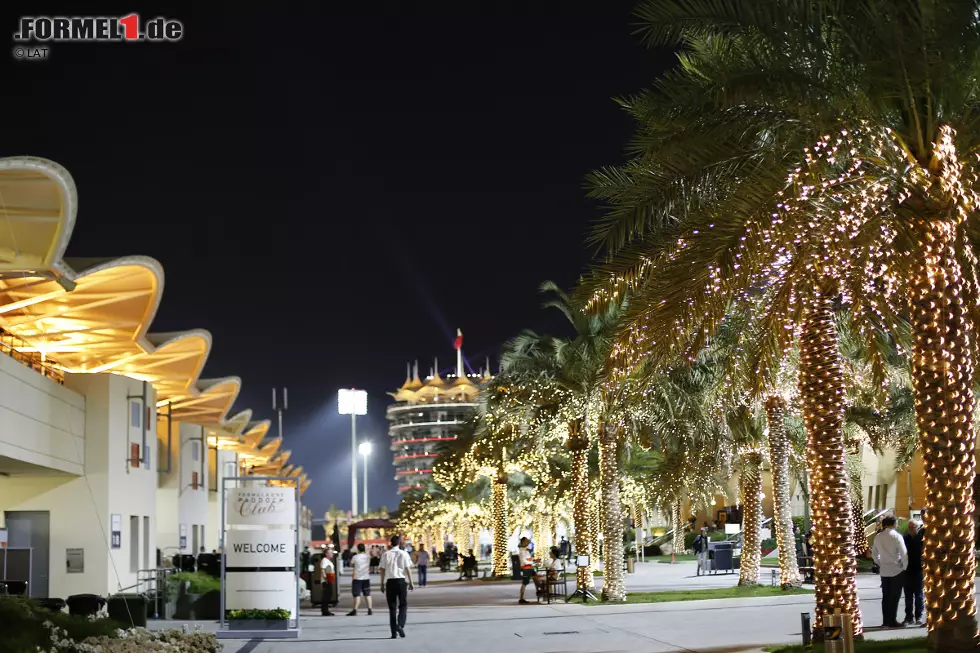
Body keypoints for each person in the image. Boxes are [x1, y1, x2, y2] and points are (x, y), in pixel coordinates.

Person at [872, 515, 908, 628]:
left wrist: (879, 563)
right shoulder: (897, 536)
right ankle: (892, 620)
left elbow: (874, 553)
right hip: (896, 569)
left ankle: (886, 620)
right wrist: (904, 567)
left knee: (886, 597)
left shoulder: (878, 536)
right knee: (894, 596)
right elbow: (904, 553)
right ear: (893, 523)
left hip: (884, 570)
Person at [380, 535, 414, 639]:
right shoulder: (404, 554)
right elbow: (408, 569)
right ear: (399, 543)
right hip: (401, 581)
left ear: (390, 543)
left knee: (392, 607)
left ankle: (393, 632)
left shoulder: (385, 554)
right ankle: (400, 625)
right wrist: (411, 582)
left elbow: (382, 570)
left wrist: (382, 583)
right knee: (403, 604)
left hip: (390, 582)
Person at [903, 519, 924, 626]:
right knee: (908, 596)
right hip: (907, 571)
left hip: (918, 570)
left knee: (919, 595)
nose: (911, 529)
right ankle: (909, 617)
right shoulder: (904, 539)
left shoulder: (921, 540)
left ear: (917, 528)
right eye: (910, 527)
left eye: (913, 527)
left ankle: (918, 616)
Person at [346, 543, 374, 616]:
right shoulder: (367, 557)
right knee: (367, 594)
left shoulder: (355, 557)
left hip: (357, 578)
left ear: (358, 549)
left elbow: (351, 564)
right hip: (366, 578)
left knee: (357, 595)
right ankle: (370, 610)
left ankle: (355, 610)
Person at [319, 543, 337, 616]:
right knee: (326, 595)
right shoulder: (324, 560)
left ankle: (326, 610)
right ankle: (325, 611)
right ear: (326, 554)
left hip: (330, 579)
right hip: (327, 580)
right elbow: (323, 570)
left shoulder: (328, 560)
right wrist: (325, 579)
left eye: (332, 553)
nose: (332, 554)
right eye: (330, 553)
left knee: (329, 595)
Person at [518, 536, 534, 604]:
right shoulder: (522, 550)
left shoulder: (525, 549)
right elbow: (523, 561)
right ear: (523, 542)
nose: (528, 542)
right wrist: (531, 562)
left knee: (537, 578)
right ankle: (521, 598)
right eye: (527, 541)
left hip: (529, 568)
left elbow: (528, 559)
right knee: (524, 583)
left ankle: (540, 591)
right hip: (526, 568)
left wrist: (532, 561)